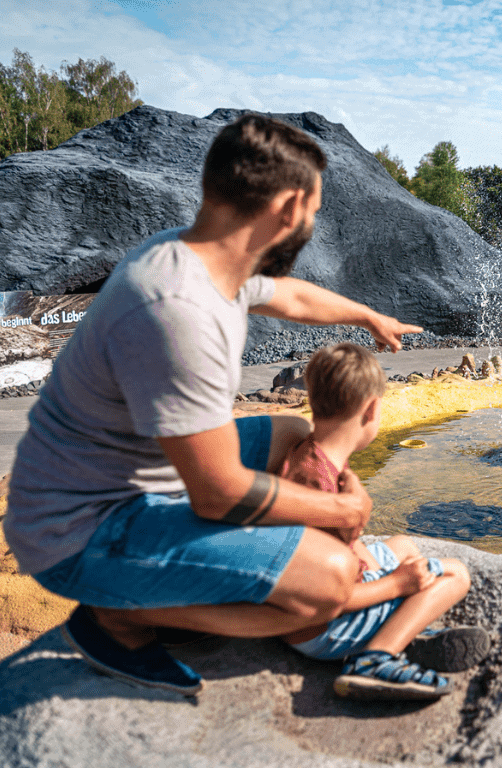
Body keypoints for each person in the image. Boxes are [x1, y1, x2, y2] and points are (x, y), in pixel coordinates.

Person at [2, 114, 477, 700]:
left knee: (287, 431)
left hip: (129, 483)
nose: (310, 227)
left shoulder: (206, 260)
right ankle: (118, 619)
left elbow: (293, 296)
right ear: (287, 208)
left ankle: (248, 568)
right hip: (82, 532)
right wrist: (343, 512)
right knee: (328, 582)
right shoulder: (177, 312)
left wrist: (367, 316)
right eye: (313, 213)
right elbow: (220, 494)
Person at [277, 342, 488, 698]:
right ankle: (376, 657)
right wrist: (397, 585)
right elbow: (327, 596)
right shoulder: (320, 493)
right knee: (455, 574)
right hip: (322, 628)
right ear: (371, 410)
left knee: (404, 545)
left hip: (319, 608)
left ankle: (398, 627)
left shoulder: (310, 454)